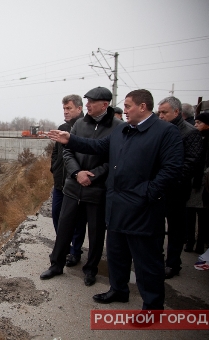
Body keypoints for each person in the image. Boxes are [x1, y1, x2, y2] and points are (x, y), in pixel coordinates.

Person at [48, 89, 183, 310]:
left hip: (143, 208)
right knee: (116, 253)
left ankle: (152, 306)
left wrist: (147, 194)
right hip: (116, 205)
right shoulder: (124, 131)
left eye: (128, 106)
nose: (124, 110)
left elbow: (172, 170)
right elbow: (98, 147)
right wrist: (70, 139)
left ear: (142, 106)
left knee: (146, 260)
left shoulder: (165, 132)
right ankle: (118, 290)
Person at [41, 87, 123, 286]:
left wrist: (92, 176)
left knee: (95, 233)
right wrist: (77, 173)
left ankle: (91, 269)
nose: (87, 105)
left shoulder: (117, 127)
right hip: (73, 186)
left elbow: (114, 159)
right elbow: (67, 152)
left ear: (104, 104)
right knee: (64, 228)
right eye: (86, 101)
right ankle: (56, 264)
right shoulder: (79, 124)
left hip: (96, 189)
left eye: (91, 102)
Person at [157, 97, 202, 279]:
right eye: (159, 112)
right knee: (157, 227)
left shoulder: (190, 133)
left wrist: (170, 180)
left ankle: (173, 263)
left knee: (176, 229)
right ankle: (157, 260)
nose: (160, 116)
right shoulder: (160, 130)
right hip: (159, 188)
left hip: (177, 189)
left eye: (164, 112)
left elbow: (191, 162)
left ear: (177, 112)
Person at [50, 94, 86, 266]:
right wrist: (54, 169)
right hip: (59, 181)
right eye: (64, 108)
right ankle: (64, 245)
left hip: (76, 183)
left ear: (79, 109)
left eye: (69, 108)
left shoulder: (86, 128)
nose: (65, 111)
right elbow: (56, 152)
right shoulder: (62, 127)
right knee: (57, 214)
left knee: (77, 219)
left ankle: (75, 251)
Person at [185, 112, 209, 253]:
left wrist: (206, 175)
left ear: (208, 124)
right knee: (190, 213)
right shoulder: (197, 136)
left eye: (199, 123)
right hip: (194, 180)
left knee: (203, 214)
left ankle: (200, 243)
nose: (195, 125)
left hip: (204, 182)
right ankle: (190, 241)